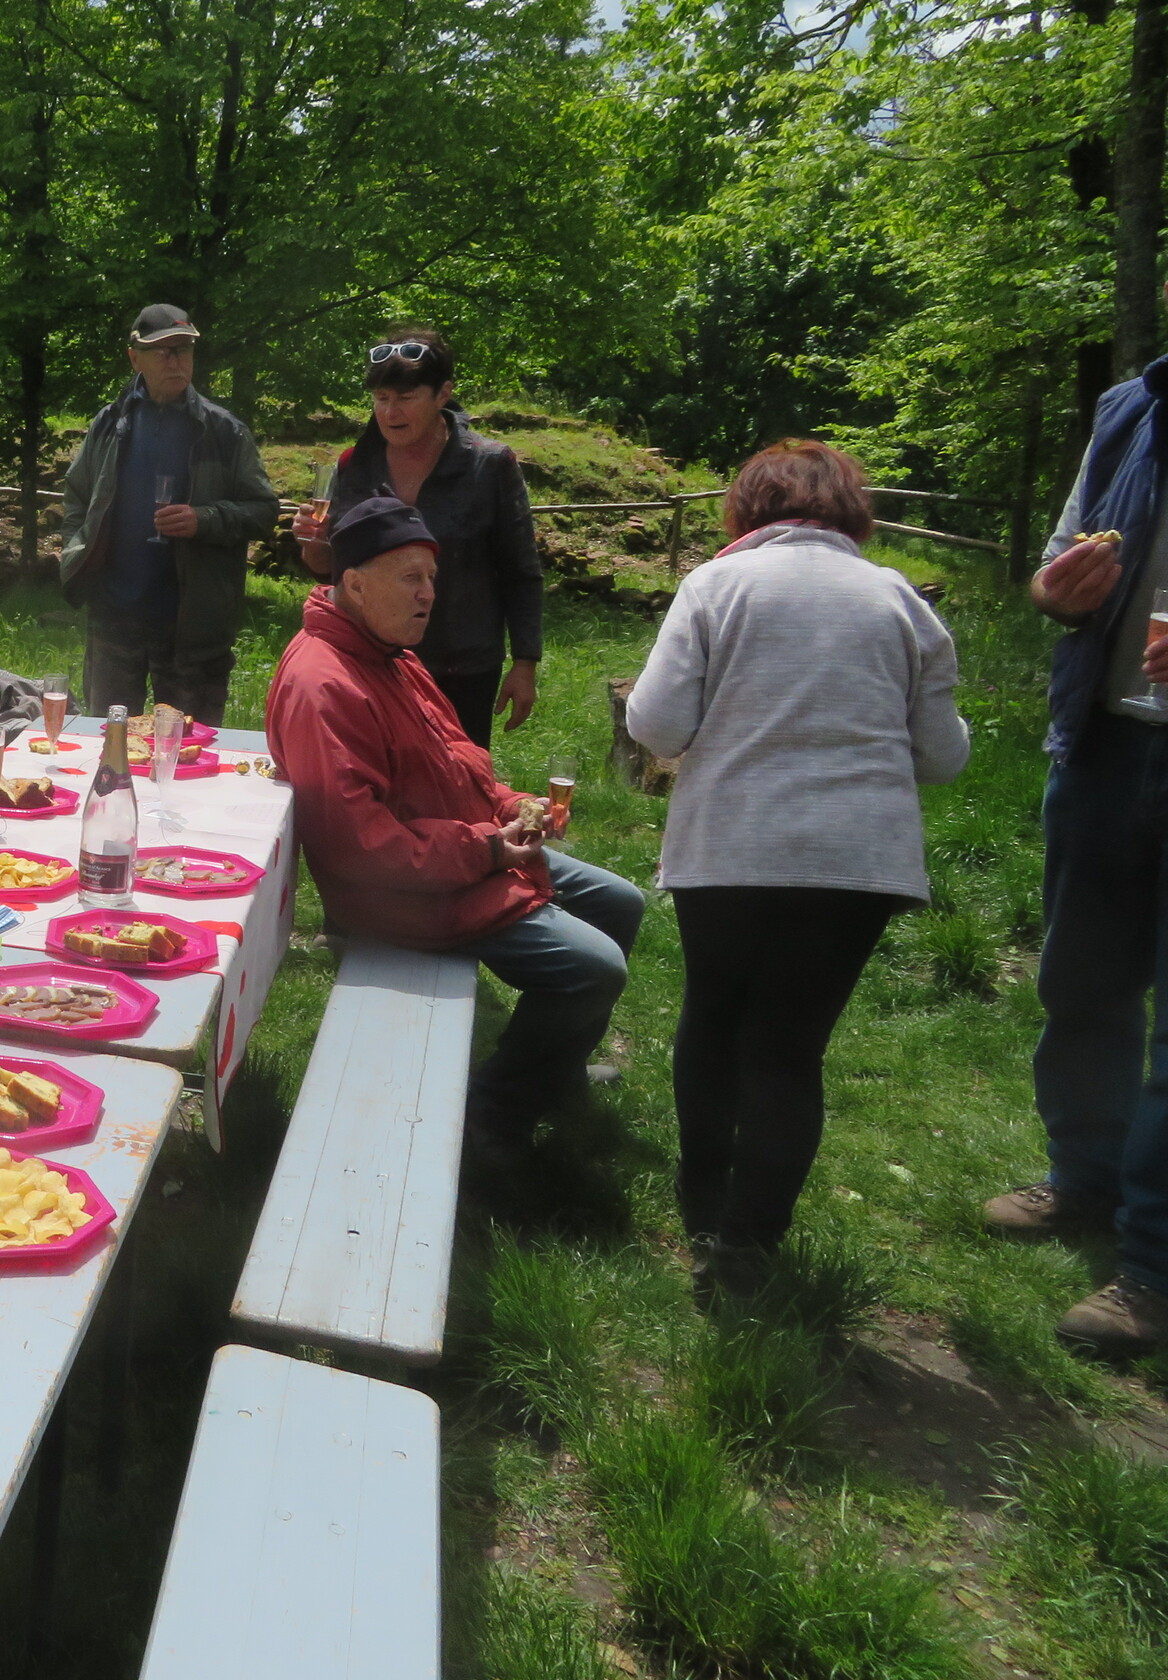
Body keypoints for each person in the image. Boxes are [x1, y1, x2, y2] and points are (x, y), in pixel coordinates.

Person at [625, 441, 968, 1294]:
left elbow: (657, 725)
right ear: (853, 513)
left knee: (714, 1015)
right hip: (856, 859)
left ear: (745, 508)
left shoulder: (715, 585)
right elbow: (942, 757)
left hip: (730, 847)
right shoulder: (899, 599)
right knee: (789, 1047)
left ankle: (703, 1201)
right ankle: (749, 1244)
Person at [267, 496, 644, 1160]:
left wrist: (513, 806)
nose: (428, 594)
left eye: (432, 578)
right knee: (593, 968)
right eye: (410, 578)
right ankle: (494, 1116)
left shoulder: (389, 653)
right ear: (354, 583)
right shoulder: (325, 684)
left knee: (622, 902)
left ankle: (554, 1071)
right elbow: (359, 849)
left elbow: (454, 765)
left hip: (456, 860)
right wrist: (489, 849)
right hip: (400, 899)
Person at [992, 343, 1168, 1351]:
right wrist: (1055, 593)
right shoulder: (1130, 408)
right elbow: (1055, 571)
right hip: (1105, 745)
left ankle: (1154, 1262)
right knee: (1084, 985)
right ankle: (1084, 1178)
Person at [296, 330, 543, 747]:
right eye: (381, 398)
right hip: (370, 662)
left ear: (443, 393)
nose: (390, 411)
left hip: (462, 667)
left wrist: (525, 662)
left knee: (458, 775)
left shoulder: (489, 465)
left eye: (406, 397)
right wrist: (314, 544)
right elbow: (334, 572)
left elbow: (520, 571)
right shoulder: (355, 465)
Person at [59, 304, 279, 726]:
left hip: (190, 626)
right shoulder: (110, 424)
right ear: (135, 358)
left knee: (186, 750)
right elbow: (77, 497)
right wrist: (78, 552)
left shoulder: (224, 430)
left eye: (184, 350)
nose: (176, 361)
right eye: (164, 351)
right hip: (114, 616)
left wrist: (205, 519)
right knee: (111, 743)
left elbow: (264, 510)